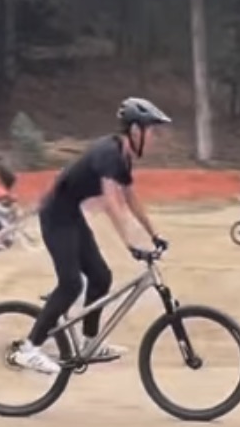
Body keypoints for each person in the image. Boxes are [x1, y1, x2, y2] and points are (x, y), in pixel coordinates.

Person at [14, 97, 171, 375]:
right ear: (135, 130)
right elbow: (112, 202)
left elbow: (130, 198)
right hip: (55, 216)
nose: (156, 138)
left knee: (101, 277)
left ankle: (90, 343)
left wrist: (154, 234)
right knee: (71, 284)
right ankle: (29, 349)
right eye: (152, 131)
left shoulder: (123, 158)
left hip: (71, 215)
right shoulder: (109, 153)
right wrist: (131, 244)